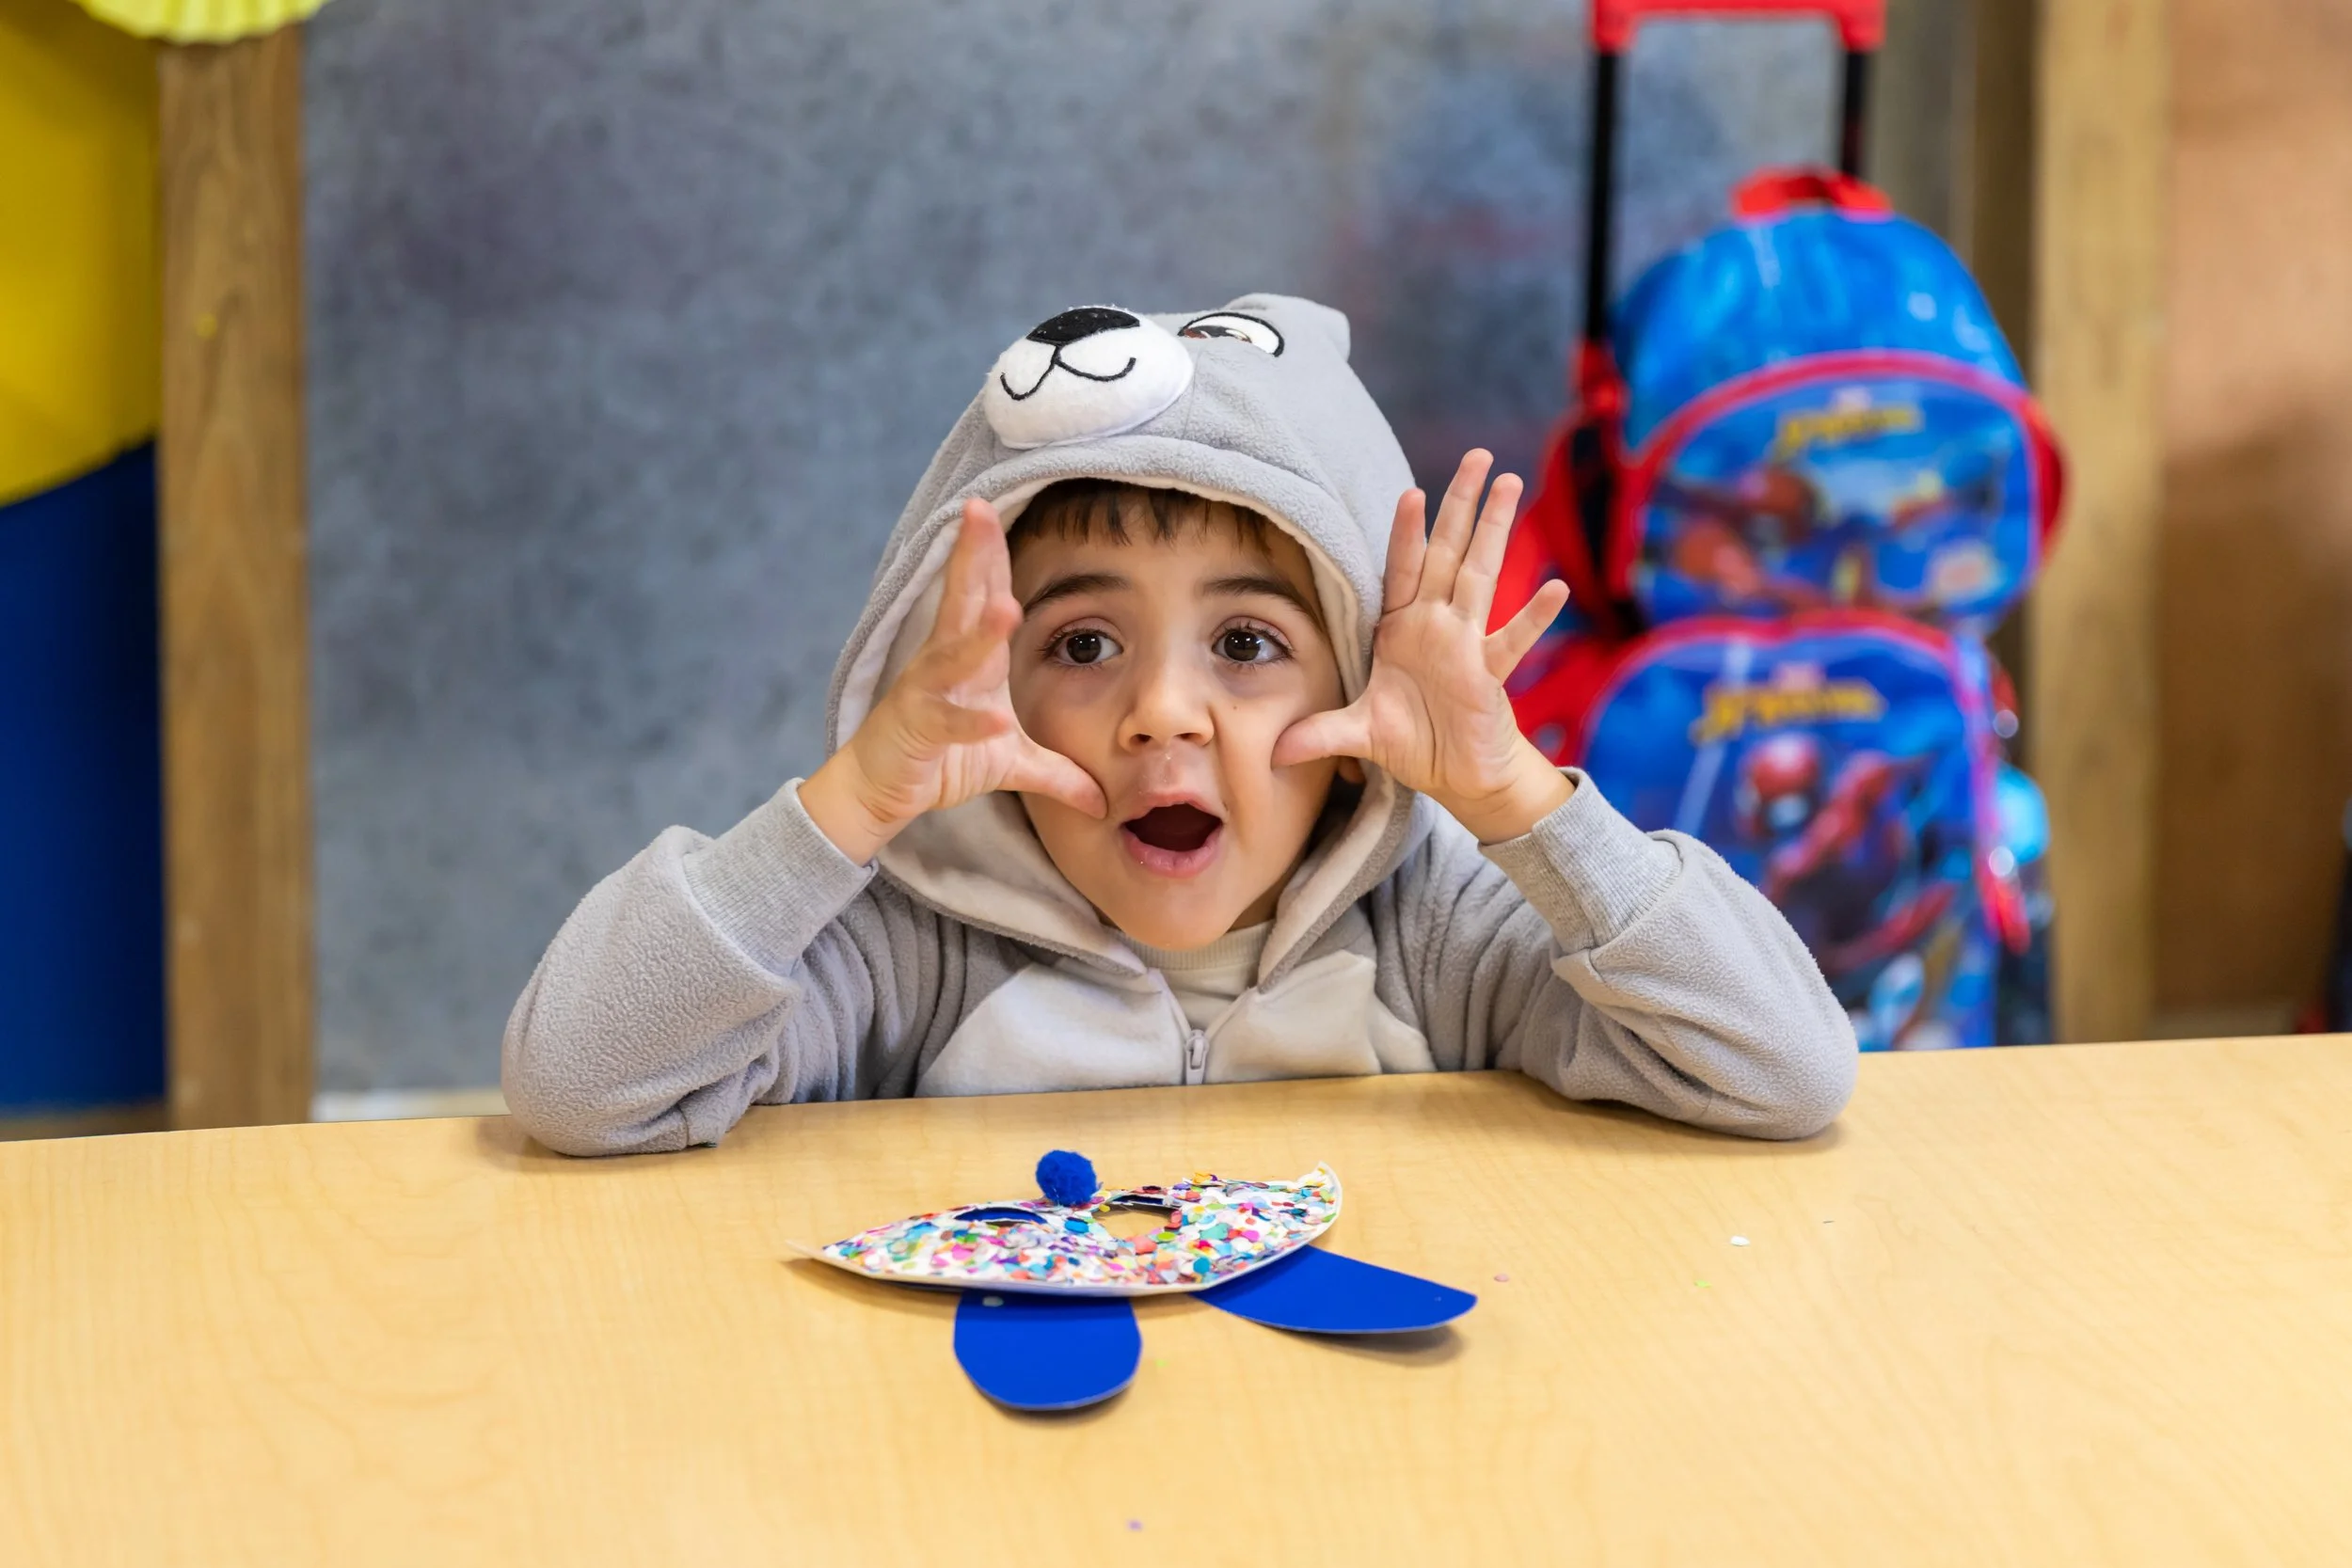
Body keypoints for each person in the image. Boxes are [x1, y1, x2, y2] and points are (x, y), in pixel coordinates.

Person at [502, 295, 1855, 1156]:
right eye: (1082, 645)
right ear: (992, 684)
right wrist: (851, 799)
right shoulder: (912, 949)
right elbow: (579, 1083)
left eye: (1248, 645)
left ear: (1355, 679)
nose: (1160, 712)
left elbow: (1786, 1072)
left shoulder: (1437, 935)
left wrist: (1516, 800)